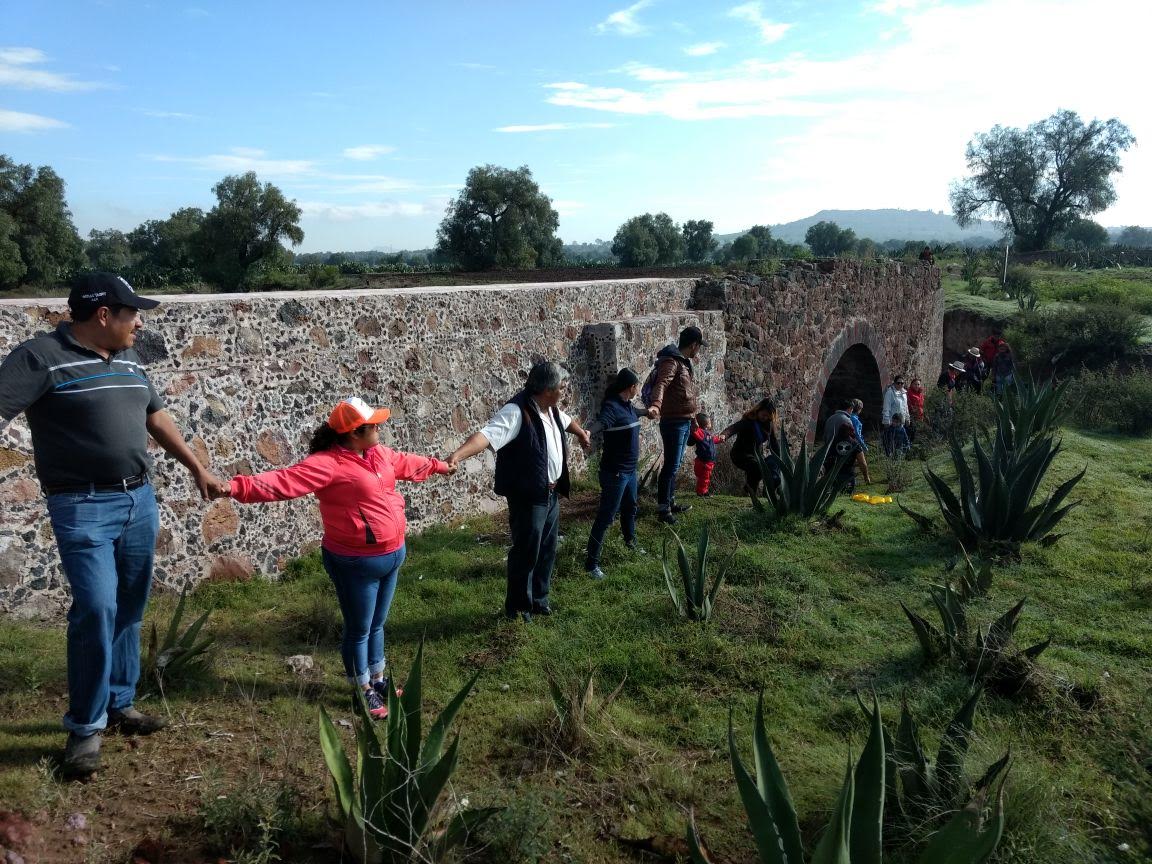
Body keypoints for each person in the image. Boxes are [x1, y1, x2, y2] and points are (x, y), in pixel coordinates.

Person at [0, 273, 223, 777]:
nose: (139, 322)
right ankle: (84, 729)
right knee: (97, 608)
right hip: (81, 506)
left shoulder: (128, 357)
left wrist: (197, 467)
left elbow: (155, 416)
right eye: (132, 313)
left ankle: (119, 703)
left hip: (138, 500)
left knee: (129, 605)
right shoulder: (40, 357)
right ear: (104, 316)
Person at [212, 397, 454, 719]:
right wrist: (234, 488)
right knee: (359, 629)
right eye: (374, 424)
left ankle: (378, 681)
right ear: (355, 432)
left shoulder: (377, 454)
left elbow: (408, 463)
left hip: (392, 554)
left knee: (377, 624)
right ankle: (362, 691)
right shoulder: (328, 464)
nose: (380, 427)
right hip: (355, 562)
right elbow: (282, 482)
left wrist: (439, 465)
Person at [448, 362, 591, 621]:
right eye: (562, 387)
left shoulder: (551, 410)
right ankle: (518, 609)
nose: (565, 390)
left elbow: (569, 422)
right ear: (547, 389)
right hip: (529, 496)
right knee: (526, 552)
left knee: (547, 550)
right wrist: (457, 455)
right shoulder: (516, 412)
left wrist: (581, 434)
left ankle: (539, 600)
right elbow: (486, 437)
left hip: (550, 494)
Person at [582, 368, 658, 581]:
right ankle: (591, 564)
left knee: (630, 508)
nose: (638, 389)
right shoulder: (612, 407)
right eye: (637, 386)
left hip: (630, 471)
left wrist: (649, 411)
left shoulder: (628, 407)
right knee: (606, 517)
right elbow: (603, 422)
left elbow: (637, 412)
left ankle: (630, 543)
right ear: (631, 387)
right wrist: (589, 432)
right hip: (615, 473)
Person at [647, 326, 704, 525]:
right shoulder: (671, 362)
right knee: (671, 466)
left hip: (684, 420)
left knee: (675, 465)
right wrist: (656, 404)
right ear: (694, 345)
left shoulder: (683, 363)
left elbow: (686, 393)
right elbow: (662, 384)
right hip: (674, 422)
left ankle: (670, 502)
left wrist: (693, 419)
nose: (698, 351)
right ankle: (663, 509)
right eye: (699, 347)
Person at [719, 398, 780, 497]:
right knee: (756, 468)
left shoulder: (768, 425)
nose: (765, 417)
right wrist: (724, 435)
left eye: (767, 416)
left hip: (756, 456)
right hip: (740, 454)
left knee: (772, 463)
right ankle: (748, 492)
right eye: (763, 414)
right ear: (758, 410)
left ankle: (766, 491)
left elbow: (774, 443)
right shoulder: (749, 420)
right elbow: (733, 428)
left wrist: (780, 459)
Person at [823, 409, 861, 493]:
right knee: (847, 494)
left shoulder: (832, 442)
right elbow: (862, 462)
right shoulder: (854, 444)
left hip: (832, 473)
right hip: (847, 473)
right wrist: (866, 477)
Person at [689, 412, 723, 497]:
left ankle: (701, 490)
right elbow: (694, 431)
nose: (711, 423)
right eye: (710, 422)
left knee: (704, 477)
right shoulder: (700, 432)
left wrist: (720, 439)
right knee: (705, 478)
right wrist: (693, 424)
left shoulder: (707, 434)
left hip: (707, 460)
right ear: (707, 424)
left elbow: (713, 439)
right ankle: (702, 492)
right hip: (705, 460)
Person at [849, 399, 872, 485]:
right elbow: (857, 435)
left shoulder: (848, 417)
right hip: (856, 444)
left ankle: (851, 479)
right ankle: (867, 479)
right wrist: (864, 446)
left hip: (848, 442)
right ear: (859, 409)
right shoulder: (855, 420)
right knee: (862, 463)